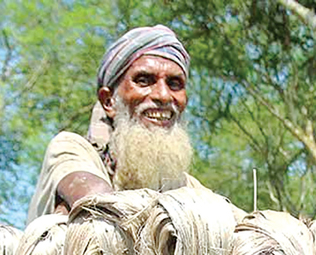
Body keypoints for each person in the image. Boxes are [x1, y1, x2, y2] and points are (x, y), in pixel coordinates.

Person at [27, 25, 205, 222]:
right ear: (108, 101)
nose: (163, 96)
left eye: (174, 84)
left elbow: (241, 228)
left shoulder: (183, 184)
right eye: (144, 80)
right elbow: (101, 206)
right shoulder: (71, 149)